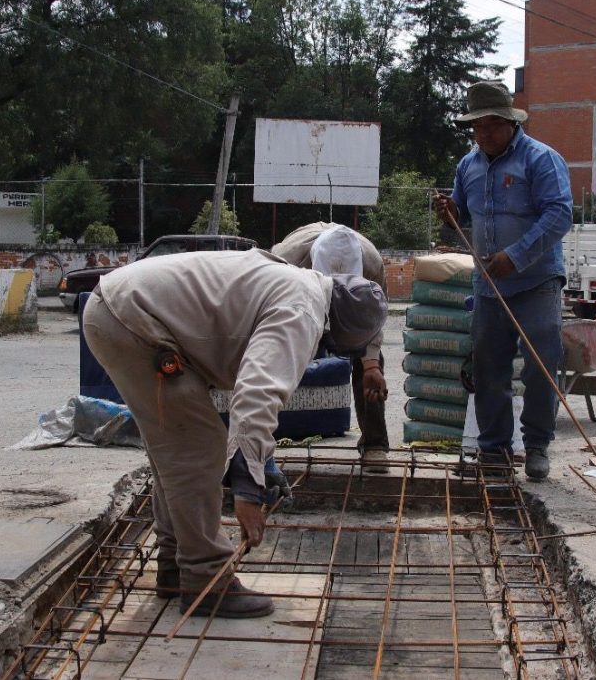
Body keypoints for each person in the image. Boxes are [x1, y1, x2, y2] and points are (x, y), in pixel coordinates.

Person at [82, 248, 387, 616]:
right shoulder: (303, 312)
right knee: (198, 449)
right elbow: (257, 394)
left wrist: (261, 463)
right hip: (133, 318)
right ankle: (205, 580)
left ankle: (175, 566)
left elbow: (250, 372)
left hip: (121, 307)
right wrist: (249, 488)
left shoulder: (299, 284)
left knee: (177, 449)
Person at [433, 81, 573, 481]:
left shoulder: (541, 160)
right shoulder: (468, 166)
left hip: (537, 282)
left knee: (540, 365)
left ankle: (536, 447)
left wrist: (515, 257)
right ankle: (493, 451)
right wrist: (449, 212)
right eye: (477, 128)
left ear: (510, 123)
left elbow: (560, 216)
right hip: (489, 286)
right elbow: (460, 214)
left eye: (491, 126)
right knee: (489, 368)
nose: (483, 135)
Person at [272, 222, 391, 472]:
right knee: (272, 361)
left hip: (351, 311)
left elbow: (374, 320)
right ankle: (259, 444)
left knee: (372, 364)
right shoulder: (284, 262)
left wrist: (370, 365)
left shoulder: (372, 264)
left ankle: (375, 444)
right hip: (303, 306)